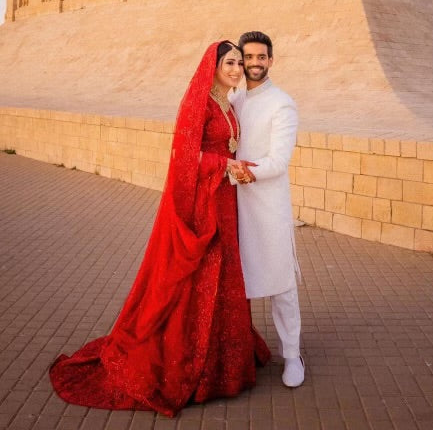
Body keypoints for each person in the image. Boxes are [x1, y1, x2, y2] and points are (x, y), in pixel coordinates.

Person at [49, 41, 270, 417]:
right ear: (213, 67)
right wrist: (224, 166)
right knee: (198, 277)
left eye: (239, 63)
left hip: (225, 202)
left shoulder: (228, 105)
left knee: (226, 274)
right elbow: (184, 156)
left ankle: (224, 364)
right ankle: (191, 365)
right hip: (203, 206)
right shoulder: (198, 104)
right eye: (229, 63)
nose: (236, 69)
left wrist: (235, 167)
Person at [232, 31, 304, 388]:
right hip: (233, 206)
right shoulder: (234, 98)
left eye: (262, 57)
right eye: (249, 57)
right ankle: (236, 352)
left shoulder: (282, 103)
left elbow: (278, 162)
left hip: (268, 205)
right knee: (234, 281)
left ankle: (292, 355)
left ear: (271, 61)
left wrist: (233, 172)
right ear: (241, 60)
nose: (255, 63)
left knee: (281, 284)